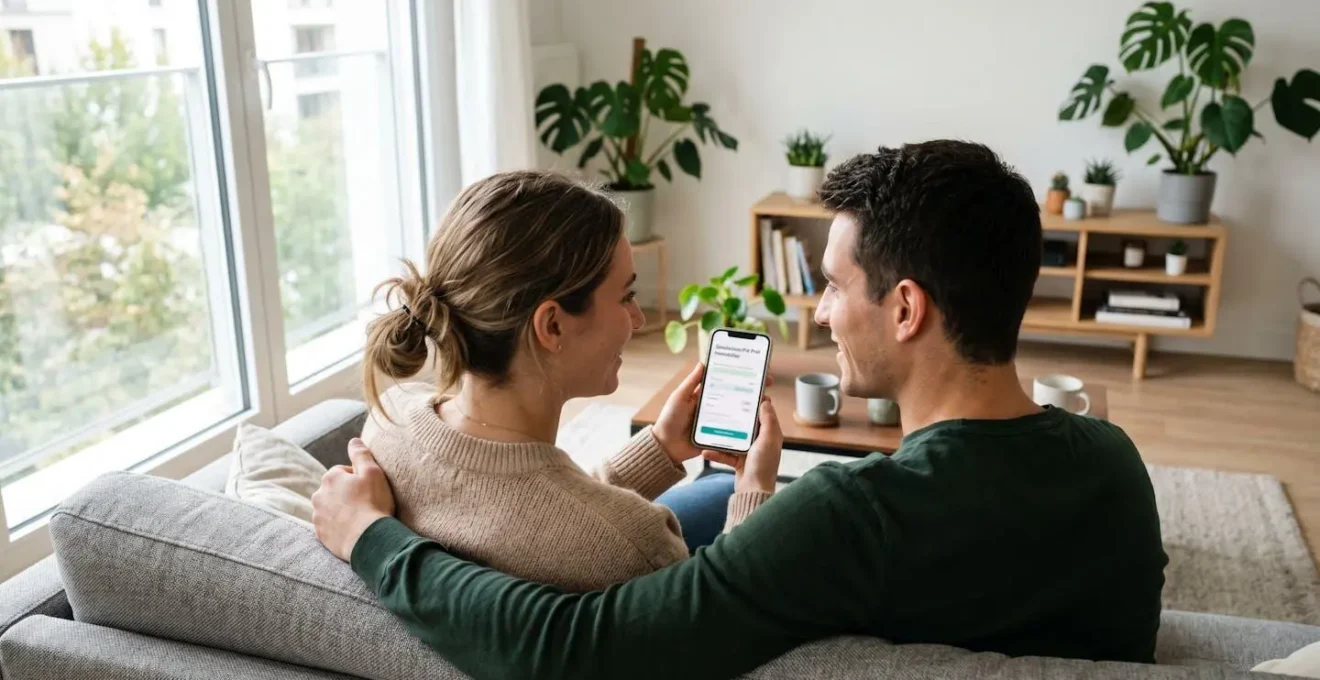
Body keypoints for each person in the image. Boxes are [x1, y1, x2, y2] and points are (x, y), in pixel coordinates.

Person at [313, 141, 1168, 680]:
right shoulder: (1114, 465)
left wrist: (375, 539)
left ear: (906, 310)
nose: (822, 314)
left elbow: (566, 647)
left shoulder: (849, 518)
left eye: (832, 288)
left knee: (709, 504)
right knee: (705, 500)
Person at [352, 170, 784, 593]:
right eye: (627, 296)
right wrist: (756, 496)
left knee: (716, 486)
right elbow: (717, 621)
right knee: (755, 498)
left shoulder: (389, 420)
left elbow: (534, 514)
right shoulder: (634, 548)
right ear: (552, 325)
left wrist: (660, 448)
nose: (638, 318)